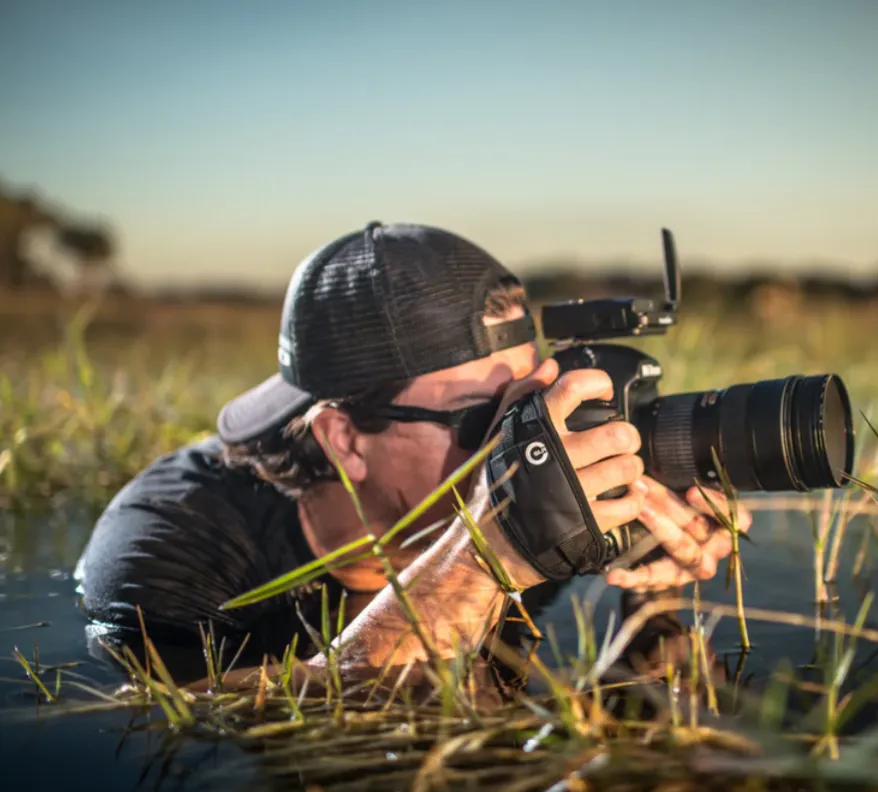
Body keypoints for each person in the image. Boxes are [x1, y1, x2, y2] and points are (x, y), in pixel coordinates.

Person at [74, 221, 749, 685]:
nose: (525, 433)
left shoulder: (528, 485)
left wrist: (644, 583)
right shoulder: (170, 548)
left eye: (535, 398)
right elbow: (166, 727)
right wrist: (493, 554)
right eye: (487, 415)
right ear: (343, 438)